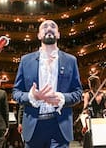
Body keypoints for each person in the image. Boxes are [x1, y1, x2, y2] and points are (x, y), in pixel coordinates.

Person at [12, 19, 83, 148]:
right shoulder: (26, 60)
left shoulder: (71, 60)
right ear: (39, 35)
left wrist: (61, 98)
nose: (49, 28)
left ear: (58, 34)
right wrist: (32, 96)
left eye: (53, 26)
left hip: (60, 126)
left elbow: (78, 93)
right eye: (44, 26)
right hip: (34, 126)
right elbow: (16, 93)